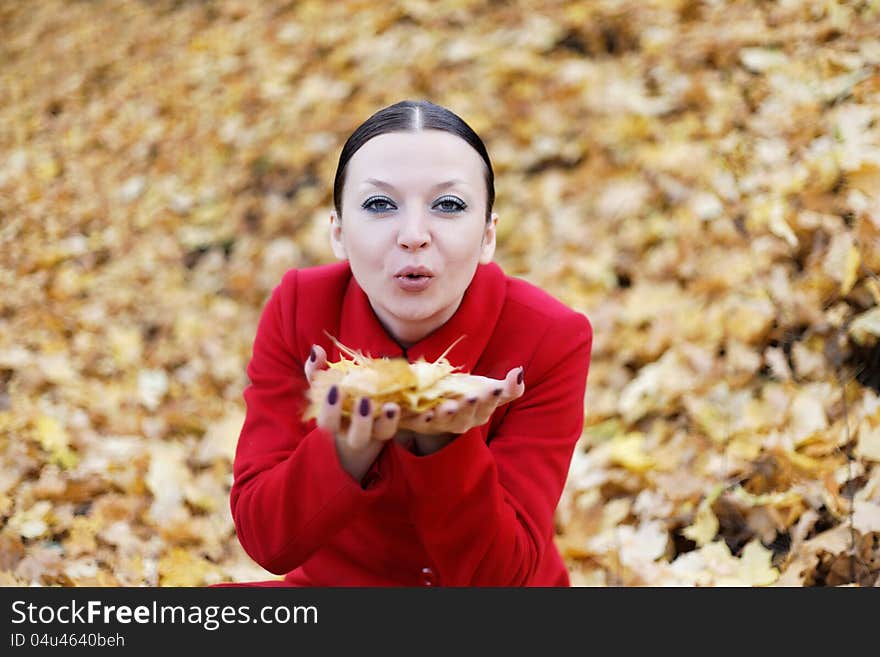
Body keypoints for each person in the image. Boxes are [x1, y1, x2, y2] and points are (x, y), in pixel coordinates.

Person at [217, 100, 593, 587]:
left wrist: (445, 443)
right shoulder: (300, 309)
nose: (414, 236)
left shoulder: (550, 336)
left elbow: (506, 577)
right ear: (338, 232)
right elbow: (267, 541)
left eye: (449, 205)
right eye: (379, 204)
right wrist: (347, 445)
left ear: (487, 237)